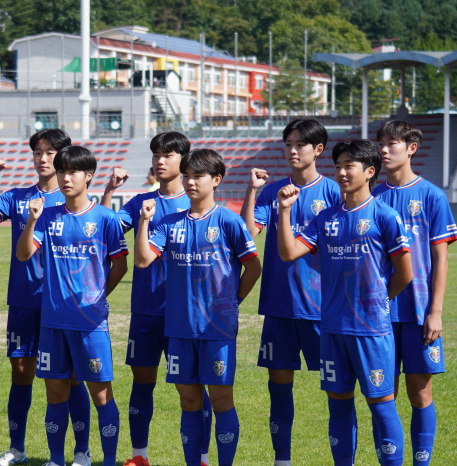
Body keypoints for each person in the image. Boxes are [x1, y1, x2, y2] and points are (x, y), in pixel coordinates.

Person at [277, 139, 413, 466]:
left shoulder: (386, 216)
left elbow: (404, 274)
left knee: (381, 406)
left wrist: (376, 299)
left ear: (369, 172)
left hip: (371, 330)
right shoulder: (326, 218)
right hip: (333, 328)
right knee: (338, 405)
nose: (340, 172)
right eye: (337, 165)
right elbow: (287, 253)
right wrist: (284, 211)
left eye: (348, 165)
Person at [0, 129, 92, 466]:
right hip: (24, 302)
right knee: (21, 372)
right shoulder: (17, 197)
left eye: (50, 152)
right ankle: (17, 448)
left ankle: (81, 450)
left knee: (71, 377)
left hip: (63, 307)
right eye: (38, 152)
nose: (43, 158)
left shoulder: (73, 199)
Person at [134, 149, 262, 466]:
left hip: (217, 330)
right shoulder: (168, 223)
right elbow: (142, 259)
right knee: (189, 400)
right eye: (187, 175)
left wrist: (232, 303)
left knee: (220, 400)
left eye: (198, 175)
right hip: (178, 329)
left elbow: (254, 268)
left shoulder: (230, 222)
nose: (190, 181)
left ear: (216, 180)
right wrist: (144, 221)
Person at [100, 132, 212, 466]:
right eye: (156, 155)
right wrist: (109, 191)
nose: (160, 161)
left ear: (184, 159)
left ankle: (202, 457)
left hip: (185, 315)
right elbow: (102, 229)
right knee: (142, 381)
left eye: (168, 155)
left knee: (191, 388)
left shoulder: (195, 202)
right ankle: (139, 456)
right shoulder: (140, 202)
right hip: (146, 310)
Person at [16, 145, 128, 466]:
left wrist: (99, 296)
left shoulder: (105, 218)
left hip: (90, 324)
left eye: (73, 172)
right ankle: (55, 459)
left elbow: (120, 264)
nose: (65, 178)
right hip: (52, 323)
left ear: (88, 176)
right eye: (62, 171)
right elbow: (24, 255)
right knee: (55, 395)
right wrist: (30, 222)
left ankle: (107, 460)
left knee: (101, 395)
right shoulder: (48, 216)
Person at [239, 119, 341, 466]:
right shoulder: (272, 191)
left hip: (322, 309)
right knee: (279, 388)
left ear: (318, 151)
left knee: (337, 392)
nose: (292, 151)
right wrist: (253, 191)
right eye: (288, 145)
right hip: (280, 306)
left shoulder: (332, 193)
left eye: (299, 145)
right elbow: (249, 232)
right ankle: (282, 460)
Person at [372, 121, 456, 465]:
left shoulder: (432, 196)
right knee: (382, 394)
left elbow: (441, 258)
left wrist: (435, 311)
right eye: (381, 143)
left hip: (419, 311)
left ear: (411, 148)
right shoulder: (373, 196)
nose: (384, 150)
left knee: (419, 391)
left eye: (392, 143)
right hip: (378, 313)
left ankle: (421, 462)